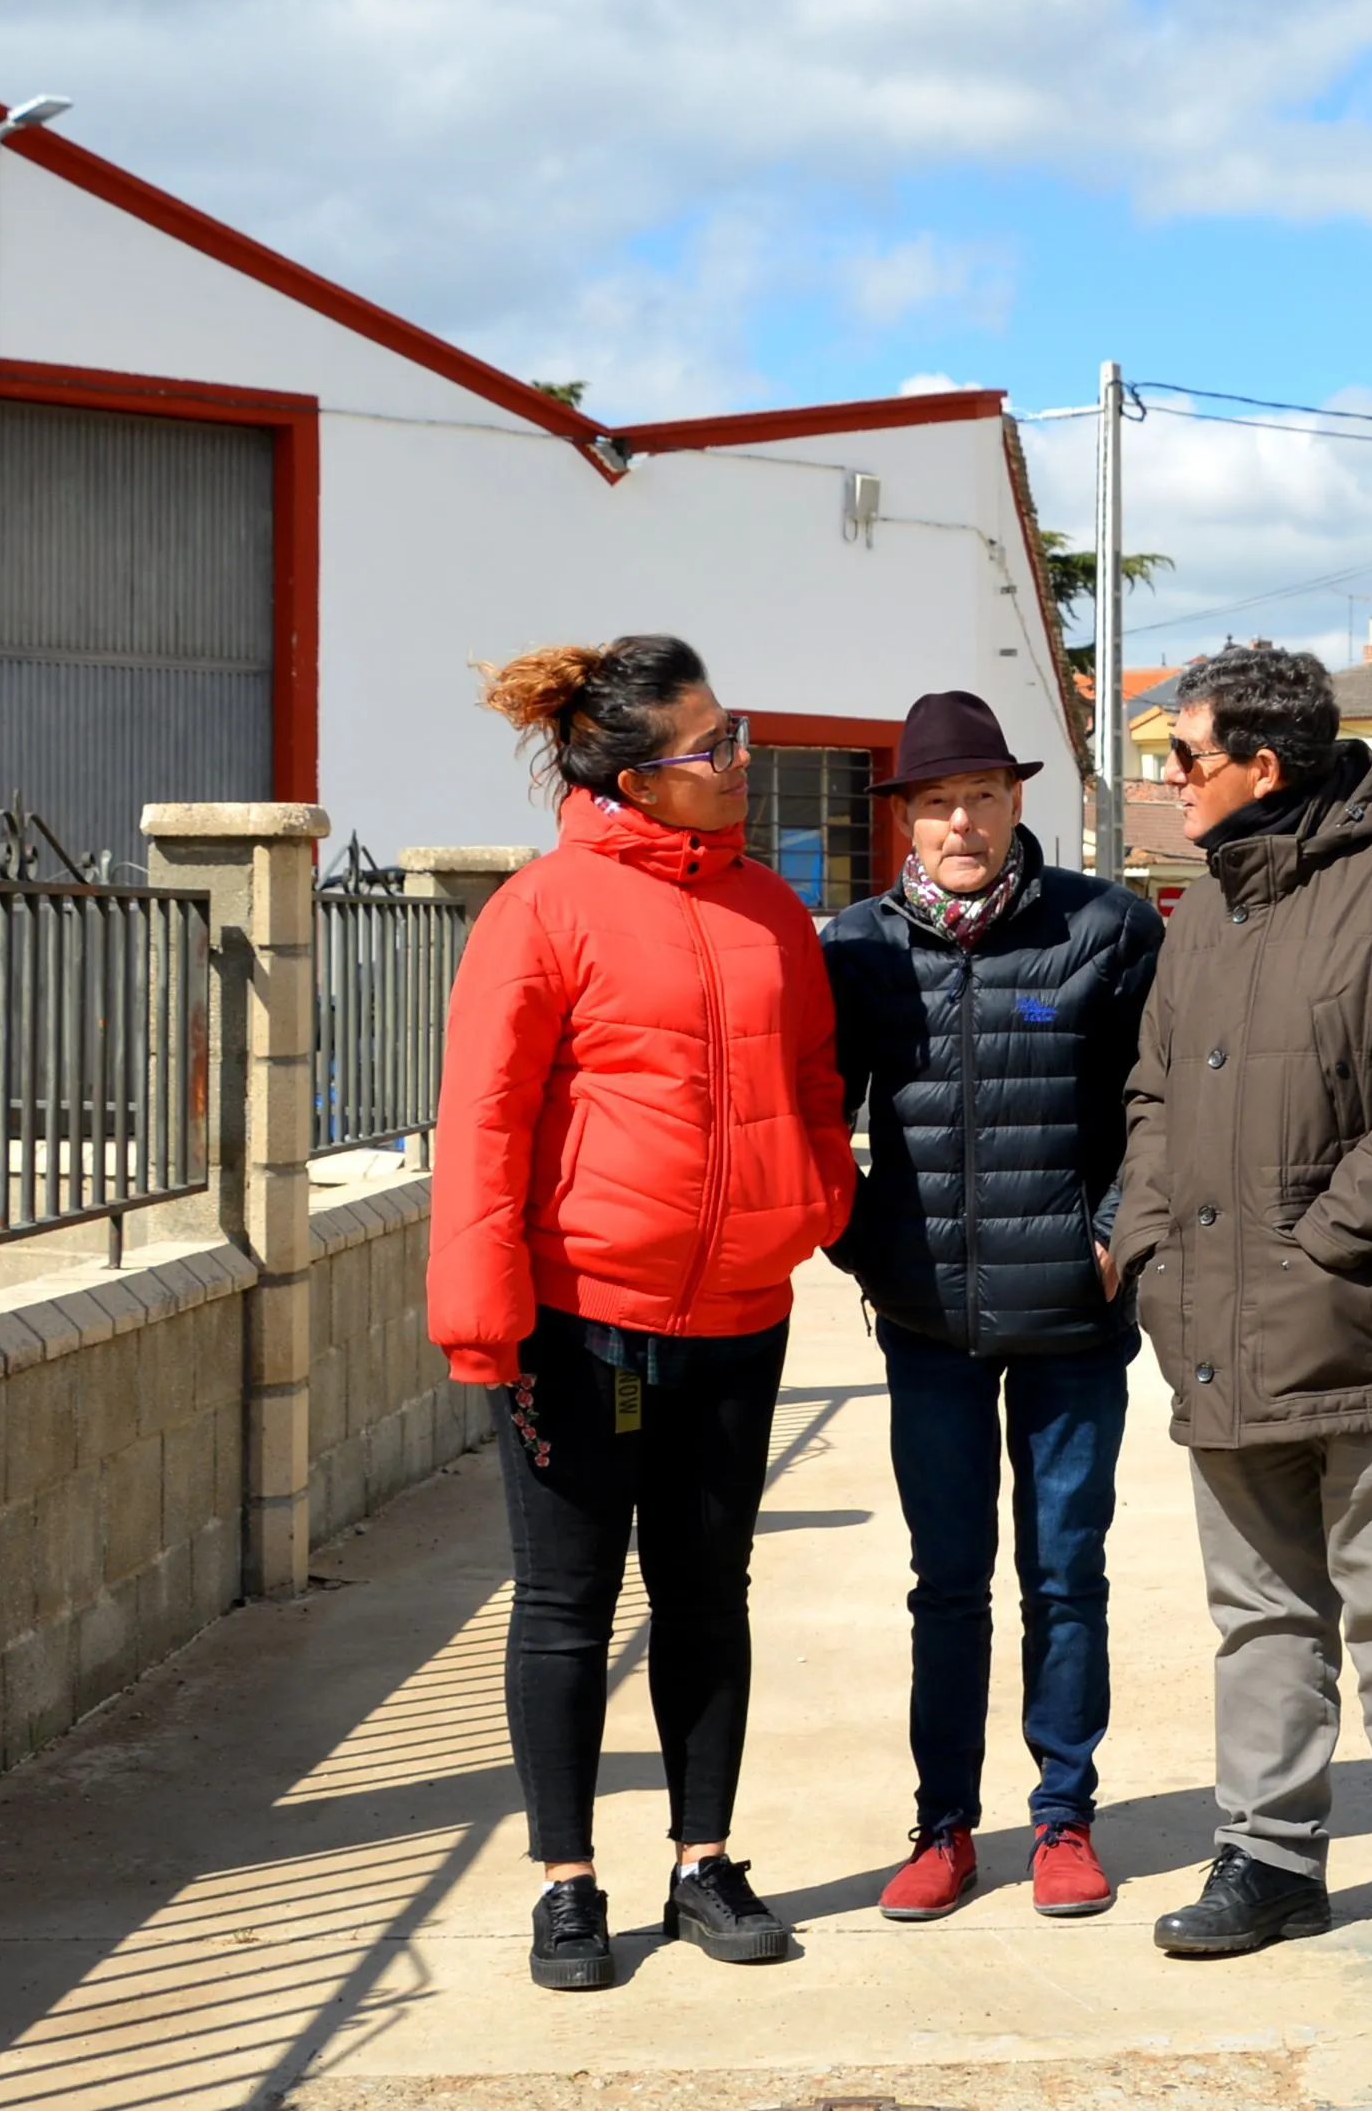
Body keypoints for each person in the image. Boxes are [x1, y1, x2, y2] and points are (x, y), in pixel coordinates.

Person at [431, 635, 853, 1993]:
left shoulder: (771, 908)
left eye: (737, 736)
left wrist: (816, 1201)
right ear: (631, 774)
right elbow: (485, 1121)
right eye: (712, 748)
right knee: (565, 1603)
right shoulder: (543, 910)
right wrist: (483, 1313)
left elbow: (810, 1070)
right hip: (581, 1317)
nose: (740, 762)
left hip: (737, 1311)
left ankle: (703, 1862)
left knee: (706, 1594)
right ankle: (567, 1884)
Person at [1108, 641, 1372, 1976]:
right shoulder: (1209, 909)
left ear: (1262, 766)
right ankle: (1271, 1858)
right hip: (1218, 1340)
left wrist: (1330, 1245)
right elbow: (1157, 1097)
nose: (1168, 784)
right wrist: (1157, 1253)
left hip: (1368, 1334)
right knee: (1260, 1613)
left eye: (1184, 758)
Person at [819, 691, 1163, 1926]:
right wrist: (869, 1249)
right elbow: (817, 1122)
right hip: (929, 1329)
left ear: (1017, 802)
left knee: (1066, 1574)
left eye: (978, 796)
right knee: (945, 1581)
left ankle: (1063, 1819)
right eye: (932, 803)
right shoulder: (855, 948)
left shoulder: (1105, 929)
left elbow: (1156, 1106)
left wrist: (1118, 1231)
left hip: (1074, 1321)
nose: (958, 821)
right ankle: (945, 1828)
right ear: (903, 821)